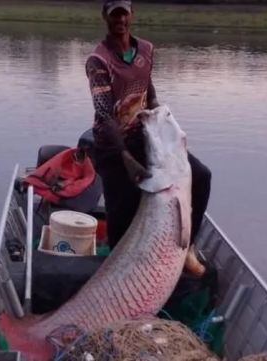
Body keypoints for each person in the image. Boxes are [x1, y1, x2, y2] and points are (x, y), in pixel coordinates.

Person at [85, 0, 212, 258]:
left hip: (143, 136)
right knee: (122, 218)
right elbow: (104, 115)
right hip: (112, 145)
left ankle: (187, 249)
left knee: (201, 176)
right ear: (105, 17)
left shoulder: (146, 49)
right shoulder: (98, 60)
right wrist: (126, 159)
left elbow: (148, 88)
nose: (120, 20)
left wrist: (164, 126)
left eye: (124, 14)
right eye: (114, 15)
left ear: (132, 15)